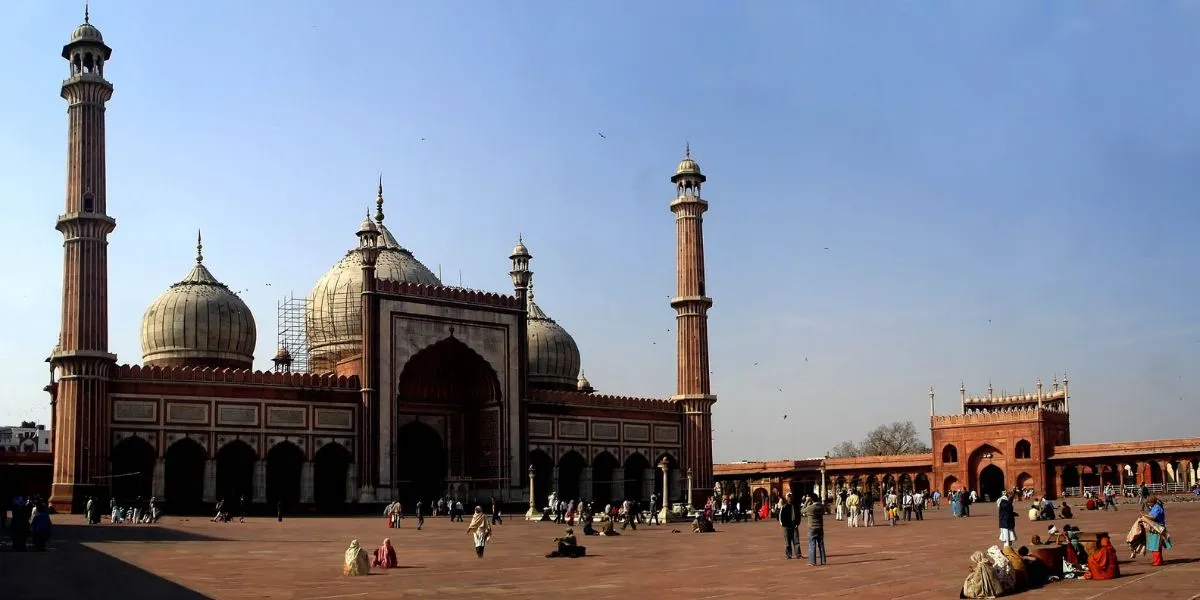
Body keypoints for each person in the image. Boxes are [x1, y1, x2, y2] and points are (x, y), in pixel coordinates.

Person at [1144, 496, 1170, 566]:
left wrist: (1144, 516)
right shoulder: (1154, 507)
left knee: (1155, 545)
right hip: (1156, 528)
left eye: (1149, 503)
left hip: (1158, 529)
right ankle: (1159, 560)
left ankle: (1157, 561)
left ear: (1152, 502)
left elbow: (1154, 517)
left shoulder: (1157, 508)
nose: (1148, 504)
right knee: (1156, 545)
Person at [803, 494, 825, 566]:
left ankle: (812, 561)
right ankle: (823, 560)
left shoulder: (810, 508)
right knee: (821, 544)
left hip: (812, 528)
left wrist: (806, 502)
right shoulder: (821, 506)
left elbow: (802, 510)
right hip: (820, 527)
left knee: (812, 544)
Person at [778, 492, 801, 560]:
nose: (790, 498)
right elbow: (781, 516)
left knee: (796, 541)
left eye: (791, 497)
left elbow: (798, 515)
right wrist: (783, 524)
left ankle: (798, 554)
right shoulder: (784, 507)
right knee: (787, 542)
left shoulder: (796, 506)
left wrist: (798, 523)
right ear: (786, 498)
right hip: (786, 526)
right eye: (788, 497)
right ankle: (788, 555)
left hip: (794, 526)